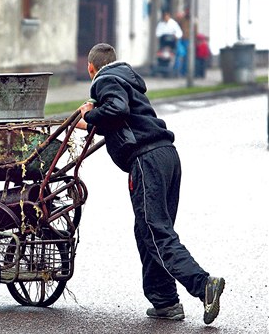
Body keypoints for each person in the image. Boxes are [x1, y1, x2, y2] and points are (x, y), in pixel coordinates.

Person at [76, 43, 225, 325]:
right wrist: (91, 123)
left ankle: (204, 285)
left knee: (155, 232)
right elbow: (123, 117)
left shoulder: (105, 80)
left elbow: (116, 109)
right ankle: (165, 302)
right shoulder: (126, 80)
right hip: (167, 156)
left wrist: (90, 114)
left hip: (147, 161)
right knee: (150, 230)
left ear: (90, 68)